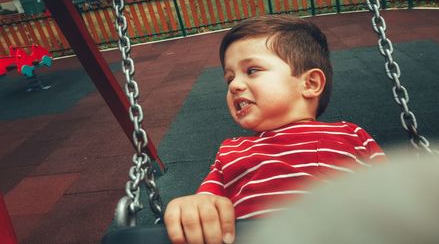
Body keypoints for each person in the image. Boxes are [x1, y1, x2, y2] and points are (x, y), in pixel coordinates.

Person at [164, 15, 387, 244]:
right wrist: (193, 206)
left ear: (309, 84)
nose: (234, 85)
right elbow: (206, 203)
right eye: (229, 78)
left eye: (251, 70)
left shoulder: (350, 134)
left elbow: (395, 190)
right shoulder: (231, 152)